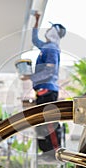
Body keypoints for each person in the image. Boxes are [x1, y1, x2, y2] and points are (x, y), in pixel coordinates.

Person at [22, 12, 66, 159]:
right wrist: (37, 21)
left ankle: (54, 153)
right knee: (41, 123)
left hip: (48, 91)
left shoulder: (52, 49)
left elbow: (50, 70)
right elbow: (35, 40)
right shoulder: (47, 47)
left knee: (49, 123)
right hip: (42, 91)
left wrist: (31, 77)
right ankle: (46, 152)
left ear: (54, 33)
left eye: (50, 30)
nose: (47, 32)